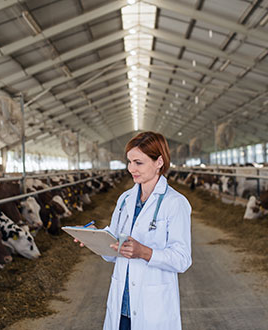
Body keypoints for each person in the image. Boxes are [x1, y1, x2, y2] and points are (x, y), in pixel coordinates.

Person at [79, 131, 192, 330]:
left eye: (138, 162)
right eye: (129, 162)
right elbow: (113, 253)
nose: (131, 168)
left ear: (159, 162)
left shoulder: (175, 203)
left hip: (153, 308)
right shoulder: (125, 199)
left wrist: (145, 252)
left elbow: (182, 259)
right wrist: (94, 238)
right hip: (122, 306)